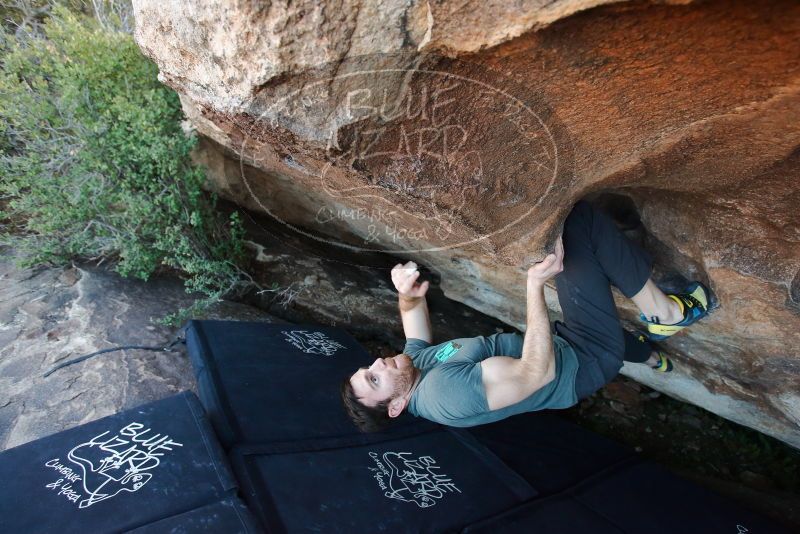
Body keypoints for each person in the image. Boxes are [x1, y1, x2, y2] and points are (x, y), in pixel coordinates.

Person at [340, 201, 711, 432]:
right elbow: (537, 373)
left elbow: (414, 332)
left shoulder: (413, 369)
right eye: (374, 379)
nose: (378, 362)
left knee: (597, 323)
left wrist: (407, 296)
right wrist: (534, 286)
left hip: (567, 349)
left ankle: (654, 358)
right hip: (583, 362)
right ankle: (667, 313)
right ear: (396, 406)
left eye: (367, 367)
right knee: (580, 223)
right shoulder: (443, 395)